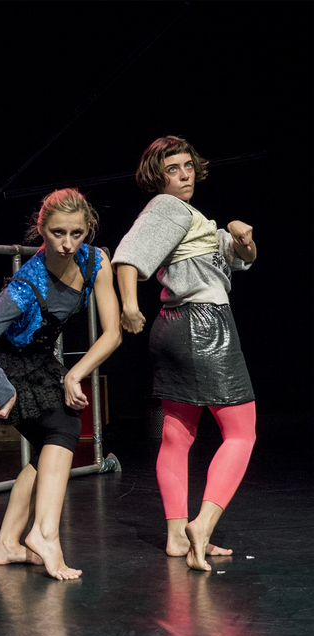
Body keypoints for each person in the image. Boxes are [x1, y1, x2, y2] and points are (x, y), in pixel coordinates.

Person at [0, 188, 121, 580]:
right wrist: (4, 393)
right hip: (1, 364)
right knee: (63, 428)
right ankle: (45, 534)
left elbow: (113, 333)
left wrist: (75, 373)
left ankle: (7, 543)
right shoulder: (25, 286)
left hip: (41, 361)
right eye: (57, 233)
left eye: (77, 233)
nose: (67, 244)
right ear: (41, 228)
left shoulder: (95, 260)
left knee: (48, 452)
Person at [113, 136, 257, 572]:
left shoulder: (193, 219)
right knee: (242, 433)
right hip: (203, 324)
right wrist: (128, 306)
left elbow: (241, 259)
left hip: (174, 326)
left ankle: (177, 536)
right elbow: (128, 257)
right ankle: (203, 525)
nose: (184, 175)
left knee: (178, 436)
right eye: (172, 169)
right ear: (157, 177)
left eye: (188, 166)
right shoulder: (167, 208)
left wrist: (242, 238)